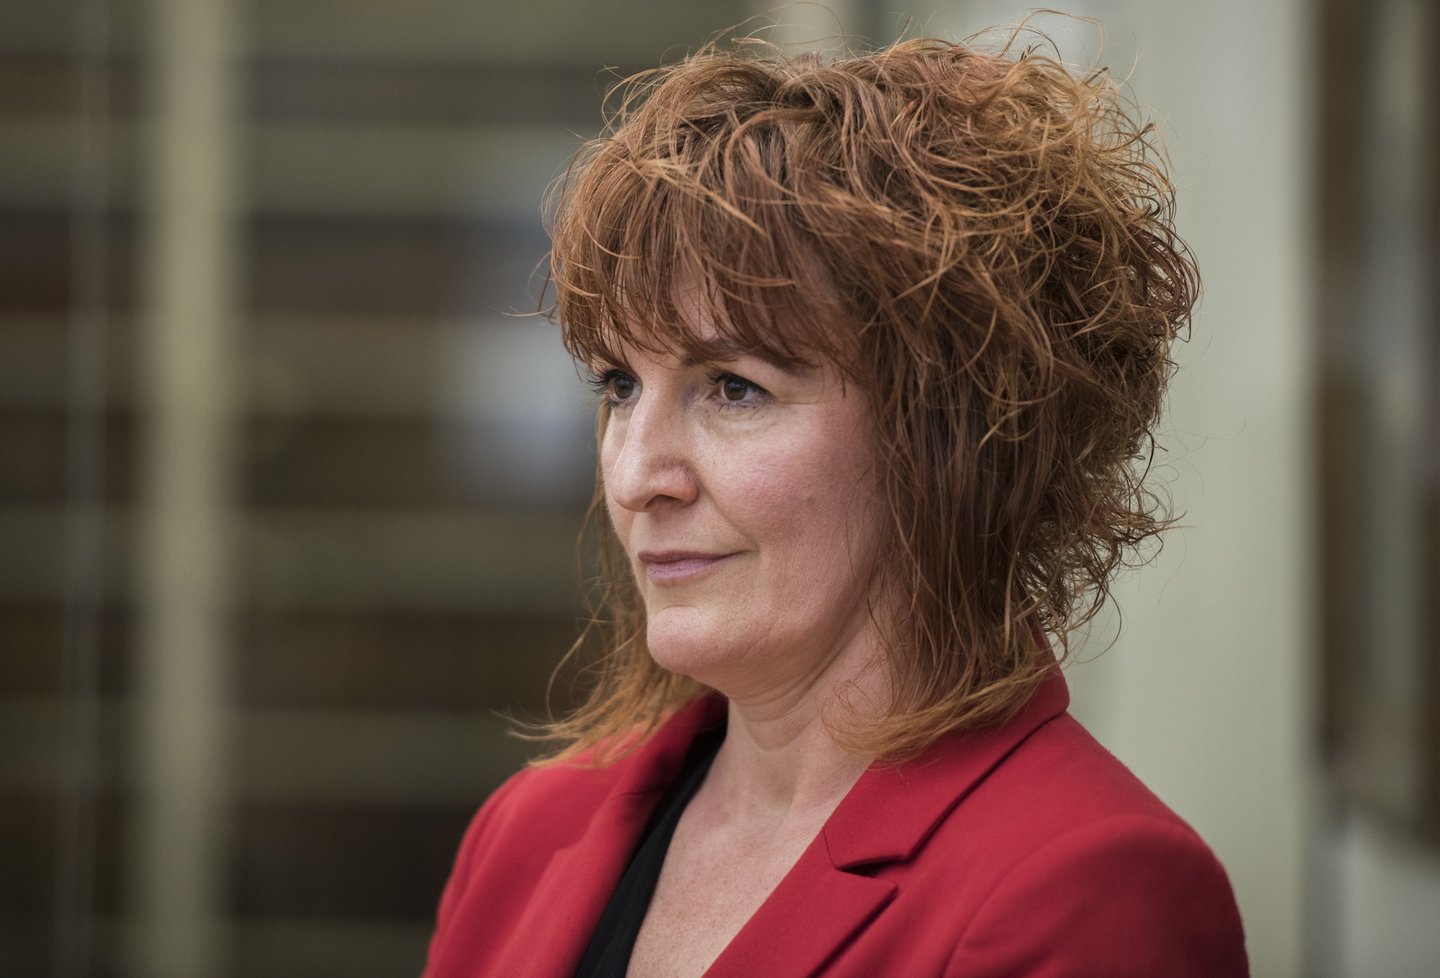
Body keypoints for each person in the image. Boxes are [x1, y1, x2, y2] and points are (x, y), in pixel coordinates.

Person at [424, 33, 1248, 978]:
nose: (635, 475)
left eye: (734, 387)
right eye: (619, 385)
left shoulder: (1088, 891)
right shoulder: (527, 835)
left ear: (953, 433)